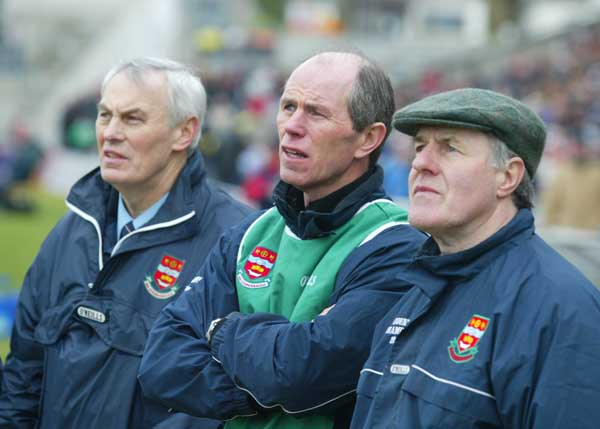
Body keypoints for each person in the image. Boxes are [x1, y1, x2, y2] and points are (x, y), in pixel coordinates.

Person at [138, 51, 426, 428]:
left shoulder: (395, 245)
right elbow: (161, 362)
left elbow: (302, 373)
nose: (292, 125)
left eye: (316, 113)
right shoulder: (249, 234)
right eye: (288, 106)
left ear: (368, 139)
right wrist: (265, 388)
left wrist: (220, 331)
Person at [0, 57, 252, 428]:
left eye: (132, 118)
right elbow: (24, 372)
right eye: (105, 115)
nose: (110, 132)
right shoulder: (70, 232)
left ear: (184, 132)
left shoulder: (235, 240)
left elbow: (233, 397)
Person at [351, 88, 600, 429]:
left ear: (508, 177)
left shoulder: (560, 310)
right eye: (420, 147)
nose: (420, 163)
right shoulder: (414, 294)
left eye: (450, 148)